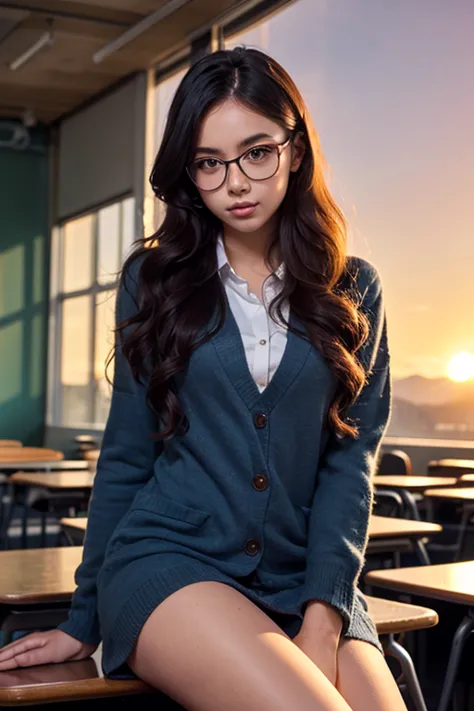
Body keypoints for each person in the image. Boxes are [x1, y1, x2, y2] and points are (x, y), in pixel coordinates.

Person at [0, 47, 406, 711]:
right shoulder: (155, 282)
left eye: (256, 153)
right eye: (209, 163)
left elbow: (349, 461)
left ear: (294, 149)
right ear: (190, 172)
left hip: (307, 574)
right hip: (171, 563)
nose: (236, 182)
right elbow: (128, 456)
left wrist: (324, 617)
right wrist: (82, 618)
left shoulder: (355, 288)